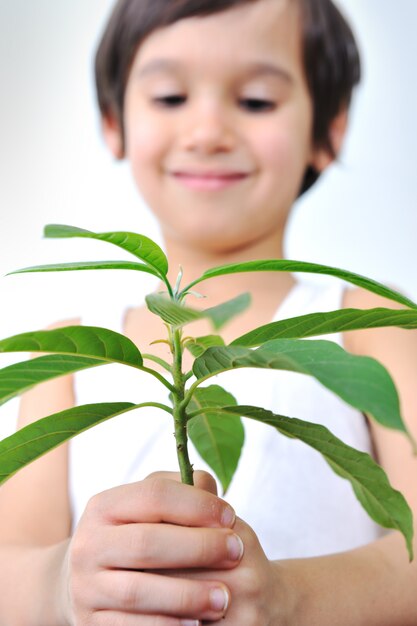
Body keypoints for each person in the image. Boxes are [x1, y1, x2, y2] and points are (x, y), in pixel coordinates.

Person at [0, 0, 416, 624]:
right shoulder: (66, 353)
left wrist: (289, 599)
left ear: (328, 128)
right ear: (113, 121)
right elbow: (10, 564)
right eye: (170, 97)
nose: (207, 131)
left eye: (255, 101)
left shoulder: (371, 323)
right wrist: (64, 585)